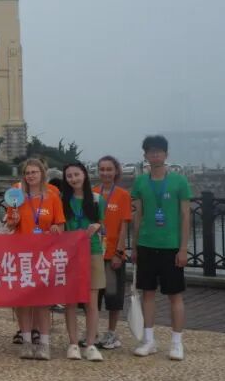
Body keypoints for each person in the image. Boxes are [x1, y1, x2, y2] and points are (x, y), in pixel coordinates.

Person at [131, 135, 191, 361]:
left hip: (171, 246)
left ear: (166, 154)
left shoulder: (179, 182)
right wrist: (134, 246)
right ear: (145, 155)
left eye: (159, 151)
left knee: (175, 295)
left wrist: (183, 248)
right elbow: (138, 216)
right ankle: (149, 340)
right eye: (151, 151)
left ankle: (176, 342)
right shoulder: (140, 182)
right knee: (147, 293)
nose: (155, 155)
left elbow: (185, 215)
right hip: (146, 244)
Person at [4, 158, 63, 360]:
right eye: (27, 173)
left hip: (44, 256)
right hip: (22, 255)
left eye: (34, 172)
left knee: (42, 301)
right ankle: (27, 341)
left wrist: (55, 229)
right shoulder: (17, 197)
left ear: (42, 174)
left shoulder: (52, 197)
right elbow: (10, 225)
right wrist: (13, 221)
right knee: (24, 301)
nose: (30, 176)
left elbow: (60, 225)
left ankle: (44, 343)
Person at [62, 162, 106, 361]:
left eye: (76, 174)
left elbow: (103, 224)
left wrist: (97, 226)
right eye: (69, 176)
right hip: (69, 254)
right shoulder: (63, 200)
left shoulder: (97, 199)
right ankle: (73, 343)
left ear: (85, 175)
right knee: (70, 300)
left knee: (91, 301)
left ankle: (90, 344)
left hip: (92, 251)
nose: (73, 179)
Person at [94, 155, 132, 350]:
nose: (105, 173)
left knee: (113, 295)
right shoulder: (93, 193)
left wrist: (119, 252)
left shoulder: (123, 195)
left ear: (116, 171)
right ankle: (92, 331)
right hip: (95, 253)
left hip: (112, 254)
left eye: (109, 169)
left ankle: (111, 332)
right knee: (94, 295)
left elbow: (124, 226)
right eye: (102, 169)